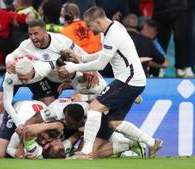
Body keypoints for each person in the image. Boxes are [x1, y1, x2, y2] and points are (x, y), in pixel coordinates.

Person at [59, 6, 163, 158]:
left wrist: (74, 66)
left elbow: (101, 65)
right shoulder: (113, 29)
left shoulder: (113, 34)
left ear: (98, 21)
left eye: (89, 25)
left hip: (128, 80)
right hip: (134, 81)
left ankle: (85, 152)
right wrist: (84, 57)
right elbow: (105, 54)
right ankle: (152, 143)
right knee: (114, 122)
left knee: (94, 107)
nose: (89, 29)